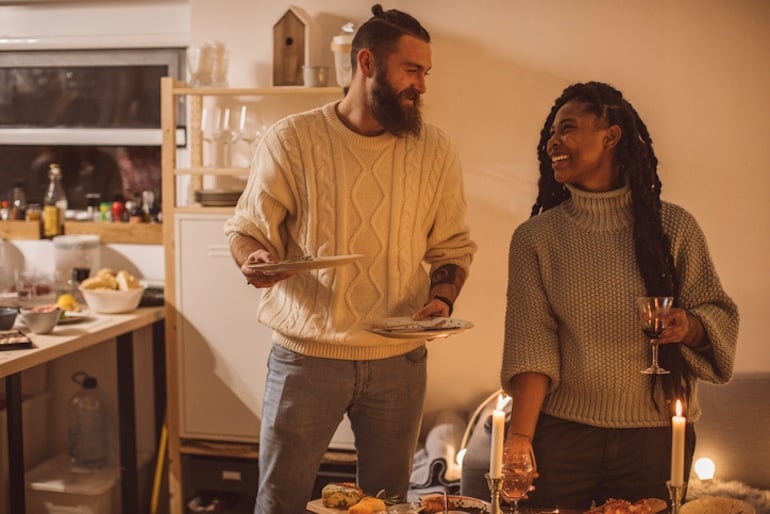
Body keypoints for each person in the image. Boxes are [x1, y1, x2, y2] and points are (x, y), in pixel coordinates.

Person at [223, 5, 476, 513]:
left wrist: (442, 299)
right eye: (412, 70)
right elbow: (246, 230)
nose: (422, 86)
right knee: (280, 501)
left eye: (425, 73)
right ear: (366, 63)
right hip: (305, 358)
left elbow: (452, 248)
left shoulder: (436, 149)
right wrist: (254, 259)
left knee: (388, 505)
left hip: (399, 362)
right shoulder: (291, 140)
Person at [499, 81, 739, 511]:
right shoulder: (535, 238)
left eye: (567, 128)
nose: (553, 141)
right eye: (551, 133)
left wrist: (690, 326)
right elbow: (532, 345)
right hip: (562, 437)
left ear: (611, 136)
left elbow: (717, 314)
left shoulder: (675, 228)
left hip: (655, 438)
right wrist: (520, 440)